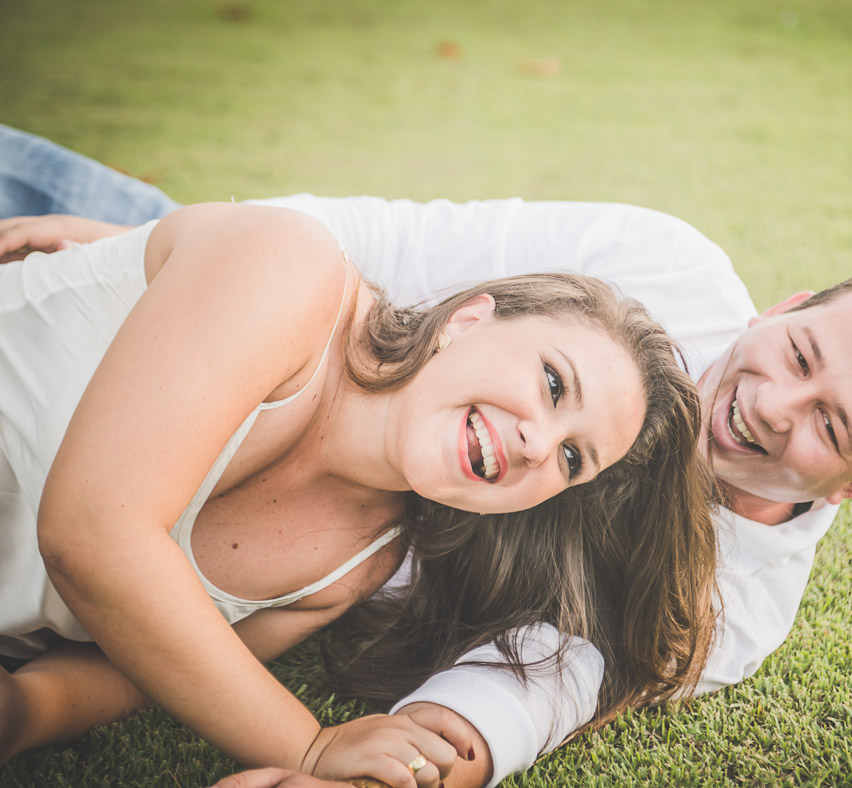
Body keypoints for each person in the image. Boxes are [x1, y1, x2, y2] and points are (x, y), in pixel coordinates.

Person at [0, 124, 852, 788]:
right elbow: (398, 245)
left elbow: (536, 688)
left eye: (831, 427)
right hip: (291, 324)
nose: (771, 406)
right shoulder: (662, 264)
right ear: (784, 308)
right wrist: (163, 245)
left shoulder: (728, 603)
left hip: (297, 517)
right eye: (799, 355)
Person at [0, 196, 718, 787]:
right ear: (468, 322)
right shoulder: (290, 267)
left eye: (571, 458)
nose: (538, 443)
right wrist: (305, 747)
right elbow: (93, 533)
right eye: (553, 383)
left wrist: (26, 708)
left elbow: (134, 661)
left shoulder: (356, 566)